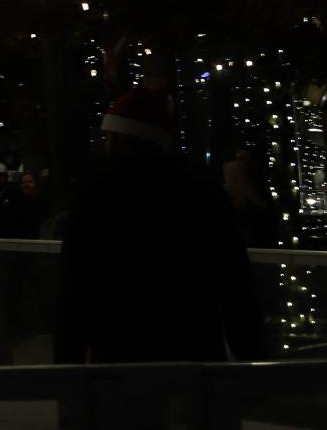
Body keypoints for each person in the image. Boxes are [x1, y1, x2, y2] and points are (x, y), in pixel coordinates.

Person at [55, 86, 265, 368]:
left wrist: (68, 362)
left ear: (119, 137)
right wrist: (251, 352)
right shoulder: (200, 187)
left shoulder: (97, 191)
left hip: (120, 349)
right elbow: (233, 276)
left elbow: (76, 281)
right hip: (195, 348)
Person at [223, 152, 278, 248]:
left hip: (237, 204)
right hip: (242, 206)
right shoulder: (239, 167)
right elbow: (246, 188)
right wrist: (262, 205)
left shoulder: (230, 167)